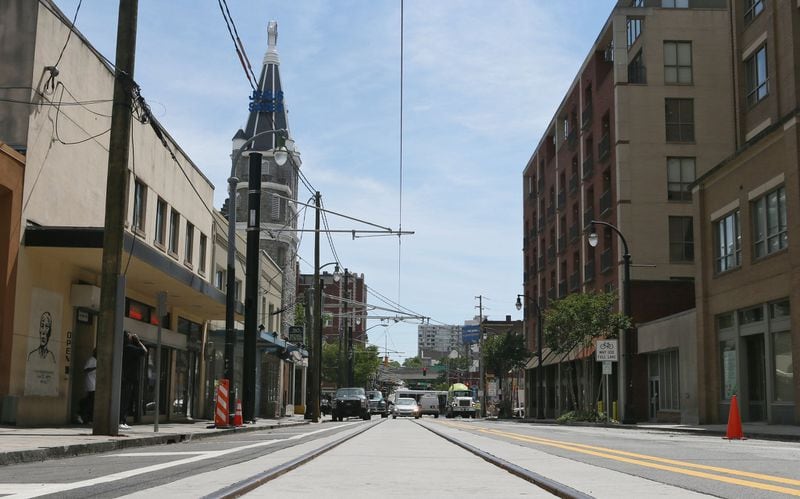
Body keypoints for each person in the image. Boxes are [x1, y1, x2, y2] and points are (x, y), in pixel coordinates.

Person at [119, 332, 147, 429]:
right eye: (130, 337)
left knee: (124, 400)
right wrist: (138, 341)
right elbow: (144, 351)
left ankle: (122, 420)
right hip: (127, 378)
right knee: (124, 400)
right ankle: (121, 421)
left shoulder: (122, 348)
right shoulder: (129, 348)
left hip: (123, 377)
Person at [77, 348, 97, 424]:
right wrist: (95, 368)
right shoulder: (91, 360)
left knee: (91, 400)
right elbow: (85, 370)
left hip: (95, 383)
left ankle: (87, 417)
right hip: (91, 383)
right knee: (91, 400)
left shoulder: (97, 360)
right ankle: (81, 413)